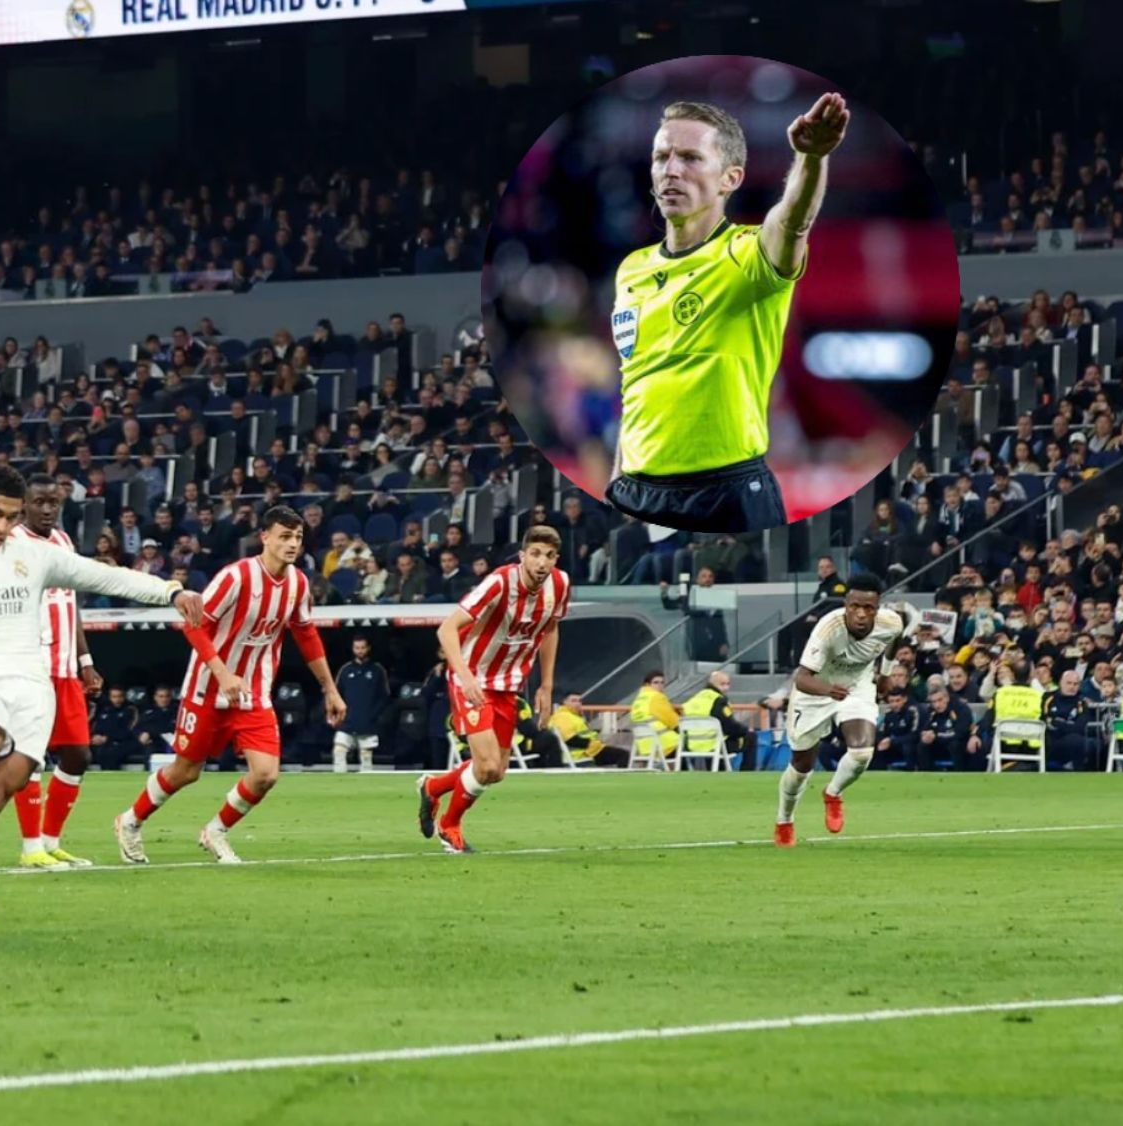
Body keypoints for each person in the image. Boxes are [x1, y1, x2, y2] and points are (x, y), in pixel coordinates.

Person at [0, 466, 202, 938]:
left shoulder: (35, 555)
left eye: (12, 517)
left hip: (34, 694)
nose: (3, 528)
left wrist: (171, 590)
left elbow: (105, 577)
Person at [605, 94, 849, 532]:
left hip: (727, 491)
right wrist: (617, 476)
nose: (671, 170)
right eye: (662, 157)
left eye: (690, 158)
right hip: (638, 490)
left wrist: (810, 159)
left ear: (730, 178)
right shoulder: (632, 269)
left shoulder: (747, 255)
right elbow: (636, 379)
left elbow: (792, 221)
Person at [113, 505, 343, 865]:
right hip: (207, 688)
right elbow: (193, 624)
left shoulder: (298, 583)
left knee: (266, 775)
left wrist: (330, 688)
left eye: (297, 537)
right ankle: (130, 821)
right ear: (264, 537)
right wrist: (222, 673)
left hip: (253, 692)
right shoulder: (236, 577)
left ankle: (216, 831)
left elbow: (307, 635)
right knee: (186, 771)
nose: (292, 544)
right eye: (284, 536)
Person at [414, 526, 571, 853]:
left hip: (507, 685)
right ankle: (450, 826)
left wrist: (546, 684)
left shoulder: (560, 584)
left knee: (496, 772)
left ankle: (433, 787)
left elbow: (551, 629)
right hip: (471, 678)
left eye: (550, 556)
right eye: (536, 554)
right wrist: (465, 676)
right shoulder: (500, 582)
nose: (543, 563)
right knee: (484, 765)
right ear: (523, 556)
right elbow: (446, 630)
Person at [10, 474, 103, 869]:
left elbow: (71, 603)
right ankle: (31, 848)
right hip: (31, 668)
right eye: (40, 502)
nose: (48, 509)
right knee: (28, 756)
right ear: (24, 505)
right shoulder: (11, 545)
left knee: (78, 754)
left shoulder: (63, 542)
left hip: (65, 669)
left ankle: (51, 842)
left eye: (54, 502)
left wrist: (85, 661)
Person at [777, 574, 908, 846]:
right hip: (815, 691)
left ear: (878, 607)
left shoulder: (891, 621)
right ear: (846, 604)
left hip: (856, 687)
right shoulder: (828, 628)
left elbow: (895, 638)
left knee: (861, 752)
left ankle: (833, 792)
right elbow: (801, 678)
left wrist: (884, 674)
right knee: (801, 766)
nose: (861, 614)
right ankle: (784, 820)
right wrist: (827, 690)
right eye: (855, 607)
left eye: (868, 608)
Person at [333, 636, 391, 772]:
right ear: (353, 649)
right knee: (339, 751)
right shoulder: (345, 670)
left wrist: (374, 715)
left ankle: (366, 786)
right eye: (357, 648)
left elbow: (385, 696)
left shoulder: (377, 670)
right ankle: (338, 783)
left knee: (366, 756)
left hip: (368, 722)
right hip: (347, 722)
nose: (359, 651)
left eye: (362, 648)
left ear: (368, 648)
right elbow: (336, 695)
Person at [681, 668, 753, 766]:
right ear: (714, 684)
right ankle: (747, 772)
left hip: (692, 744)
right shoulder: (718, 700)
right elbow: (729, 726)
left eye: (728, 684)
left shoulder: (693, 700)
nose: (726, 688)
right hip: (715, 744)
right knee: (751, 736)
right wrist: (745, 729)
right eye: (722, 684)